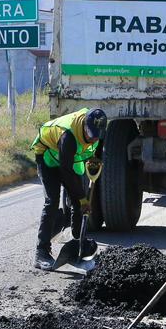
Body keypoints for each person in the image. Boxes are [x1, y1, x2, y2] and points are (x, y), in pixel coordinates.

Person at [31, 107, 106, 270]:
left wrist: (95, 159)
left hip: (70, 158)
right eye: (90, 136)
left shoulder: (96, 130)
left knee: (78, 202)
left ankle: (78, 244)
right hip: (48, 157)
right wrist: (82, 198)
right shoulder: (69, 135)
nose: (93, 140)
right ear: (84, 126)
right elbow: (66, 171)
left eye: (96, 137)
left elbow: (97, 150)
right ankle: (41, 252)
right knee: (52, 201)